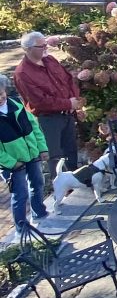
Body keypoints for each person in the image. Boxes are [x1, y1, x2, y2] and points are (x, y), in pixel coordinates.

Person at [14, 30, 81, 172]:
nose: (46, 48)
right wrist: (68, 103)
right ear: (28, 49)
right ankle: (63, 191)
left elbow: (69, 79)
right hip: (49, 119)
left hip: (67, 114)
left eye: (45, 44)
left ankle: (76, 185)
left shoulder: (50, 60)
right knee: (55, 156)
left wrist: (73, 100)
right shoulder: (22, 73)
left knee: (71, 151)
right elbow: (40, 101)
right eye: (41, 46)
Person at [0, 74, 50, 232]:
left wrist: (42, 148)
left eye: (1, 94)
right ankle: (21, 228)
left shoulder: (16, 104)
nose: (0, 99)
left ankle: (39, 213)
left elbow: (33, 126)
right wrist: (11, 163)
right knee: (19, 195)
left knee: (37, 184)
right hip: (14, 164)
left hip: (32, 154)